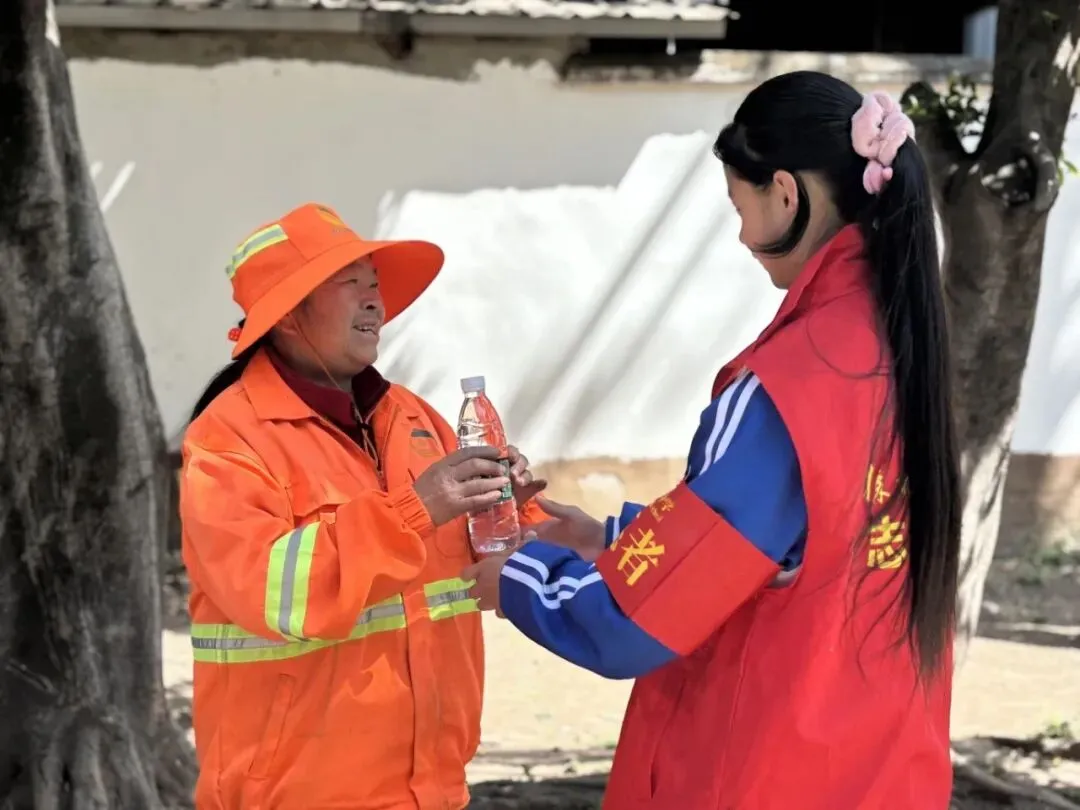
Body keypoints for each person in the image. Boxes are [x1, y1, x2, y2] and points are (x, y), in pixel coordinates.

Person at [465, 71, 962, 809]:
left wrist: (518, 578)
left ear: (785, 194)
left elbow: (634, 621)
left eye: (739, 205)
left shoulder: (789, 383)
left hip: (763, 774)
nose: (741, 236)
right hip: (879, 775)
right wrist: (609, 539)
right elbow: (803, 550)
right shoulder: (903, 354)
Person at [180, 202, 548, 810]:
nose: (375, 301)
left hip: (432, 789)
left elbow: (459, 567)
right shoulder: (227, 439)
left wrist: (509, 516)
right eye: (351, 284)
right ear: (288, 313)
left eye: (375, 284)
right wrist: (416, 509)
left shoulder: (414, 416)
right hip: (300, 795)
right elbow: (272, 593)